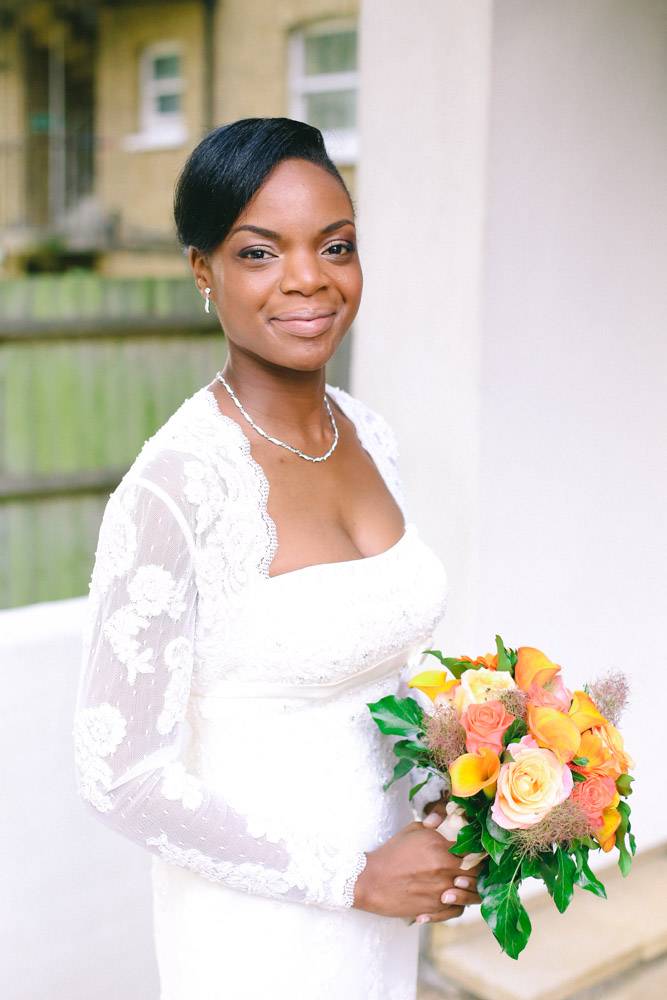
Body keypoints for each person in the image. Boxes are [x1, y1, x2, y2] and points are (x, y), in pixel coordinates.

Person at [74, 118, 480, 1000]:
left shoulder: (368, 432)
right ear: (202, 272)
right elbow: (119, 777)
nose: (309, 278)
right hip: (260, 920)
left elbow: (384, 667)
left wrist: (460, 789)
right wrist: (351, 876)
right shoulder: (173, 489)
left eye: (335, 246)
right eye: (259, 253)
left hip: (388, 897)